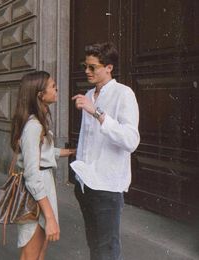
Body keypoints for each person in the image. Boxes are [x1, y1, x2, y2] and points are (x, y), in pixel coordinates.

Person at [71, 42, 140, 260]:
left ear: (109, 67)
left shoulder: (123, 94)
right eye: (85, 66)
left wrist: (97, 113)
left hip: (107, 187)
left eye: (93, 67)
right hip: (85, 184)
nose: (86, 71)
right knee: (95, 245)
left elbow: (131, 140)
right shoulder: (89, 94)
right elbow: (87, 139)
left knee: (107, 250)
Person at [11, 71, 75, 260]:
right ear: (40, 94)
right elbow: (32, 174)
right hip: (36, 193)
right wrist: (50, 216)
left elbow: (42, 154)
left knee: (39, 253)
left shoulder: (37, 122)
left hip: (42, 189)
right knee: (31, 255)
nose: (57, 89)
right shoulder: (34, 126)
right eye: (53, 86)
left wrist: (70, 152)